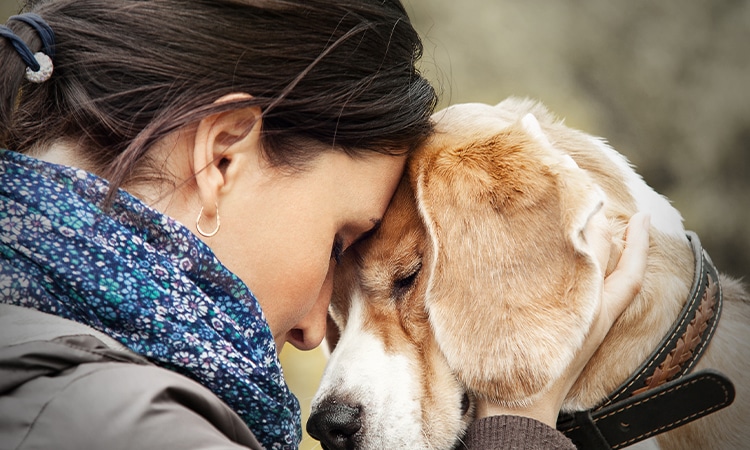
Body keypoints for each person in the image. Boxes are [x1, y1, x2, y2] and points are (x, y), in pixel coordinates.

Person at [0, 1, 649, 449]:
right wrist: (519, 422)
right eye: (340, 240)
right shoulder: (127, 425)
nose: (315, 333)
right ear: (223, 155)